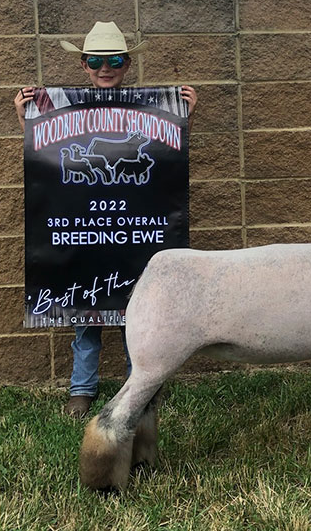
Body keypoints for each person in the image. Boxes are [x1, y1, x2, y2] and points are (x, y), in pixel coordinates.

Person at [14, 21, 197, 418]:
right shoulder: (61, 107)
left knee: (137, 316)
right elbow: (42, 155)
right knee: (85, 314)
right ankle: (81, 389)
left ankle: (141, 387)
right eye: (96, 60)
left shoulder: (150, 107)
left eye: (114, 59)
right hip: (84, 232)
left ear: (127, 63)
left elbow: (165, 156)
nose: (105, 68)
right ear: (83, 65)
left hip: (132, 235)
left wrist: (185, 114)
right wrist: (24, 116)